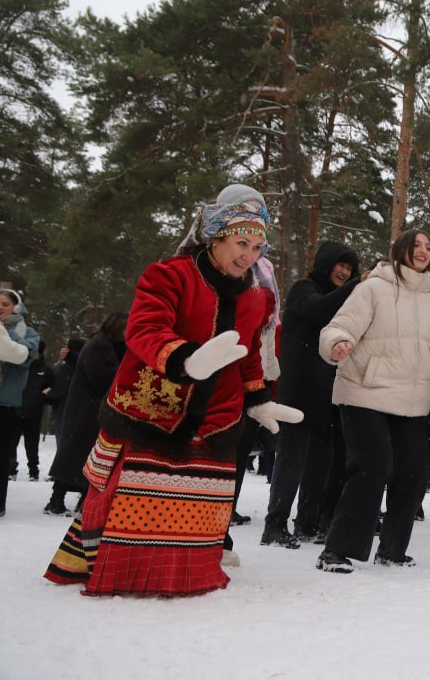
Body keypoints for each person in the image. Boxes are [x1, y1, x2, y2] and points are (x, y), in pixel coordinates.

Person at [44, 196, 301, 596]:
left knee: (194, 508)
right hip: (156, 406)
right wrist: (185, 360)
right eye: (240, 243)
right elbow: (144, 330)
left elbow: (248, 353)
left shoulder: (255, 296)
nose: (248, 255)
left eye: (256, 247)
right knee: (137, 503)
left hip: (218, 415)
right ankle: (129, 573)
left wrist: (258, 398)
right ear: (214, 238)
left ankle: (187, 572)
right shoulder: (170, 275)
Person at [316, 228, 430, 573]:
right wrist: (337, 344)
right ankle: (337, 550)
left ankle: (392, 550)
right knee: (372, 466)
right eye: (416, 245)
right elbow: (336, 328)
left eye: (429, 246)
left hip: (410, 398)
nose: (423, 251)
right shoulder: (373, 288)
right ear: (400, 250)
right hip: (364, 391)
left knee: (415, 470)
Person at [260, 240, 361, 549]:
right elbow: (320, 309)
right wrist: (358, 284)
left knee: (322, 461)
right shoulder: (304, 289)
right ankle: (274, 524)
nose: (344, 272)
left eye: (350, 268)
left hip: (328, 392)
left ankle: (308, 522)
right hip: (299, 391)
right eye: (341, 265)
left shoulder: (339, 301)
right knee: (291, 459)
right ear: (326, 263)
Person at [44, 313, 128, 516]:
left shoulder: (110, 346)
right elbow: (101, 377)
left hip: (94, 410)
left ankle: (82, 500)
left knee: (86, 457)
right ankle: (58, 499)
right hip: (87, 410)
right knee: (76, 456)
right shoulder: (99, 346)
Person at [0, 287, 36, 516]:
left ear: (17, 306)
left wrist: (5, 334)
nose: (0, 307)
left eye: (5, 304)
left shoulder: (28, 332)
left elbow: (26, 357)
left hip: (6, 405)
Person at [13, 339, 52, 480]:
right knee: (12, 442)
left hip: (34, 412)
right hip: (16, 409)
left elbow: (51, 388)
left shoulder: (45, 370)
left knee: (32, 445)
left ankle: (33, 471)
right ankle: (11, 469)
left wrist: (45, 394)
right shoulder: (20, 366)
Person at [46, 337, 85, 442]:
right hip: (82, 416)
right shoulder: (88, 368)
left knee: (63, 449)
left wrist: (47, 394)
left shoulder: (65, 369)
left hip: (64, 415)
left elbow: (58, 390)